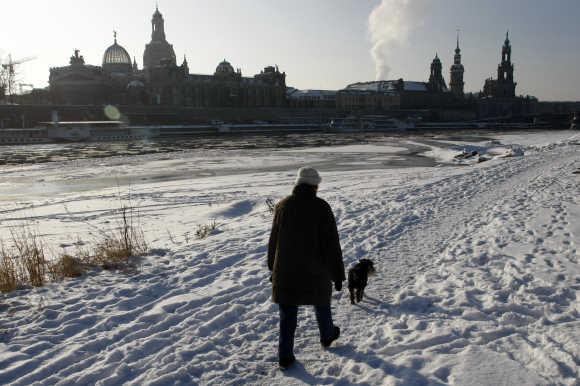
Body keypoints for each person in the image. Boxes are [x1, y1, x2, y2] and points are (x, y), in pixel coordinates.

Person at [268, 167, 345, 369]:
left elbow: (274, 240)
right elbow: (331, 244)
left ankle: (285, 356)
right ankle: (327, 335)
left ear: (297, 184)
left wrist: (272, 268)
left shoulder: (282, 205)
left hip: (285, 271)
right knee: (321, 302)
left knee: (288, 313)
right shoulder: (321, 207)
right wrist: (337, 274)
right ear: (315, 185)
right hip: (316, 270)